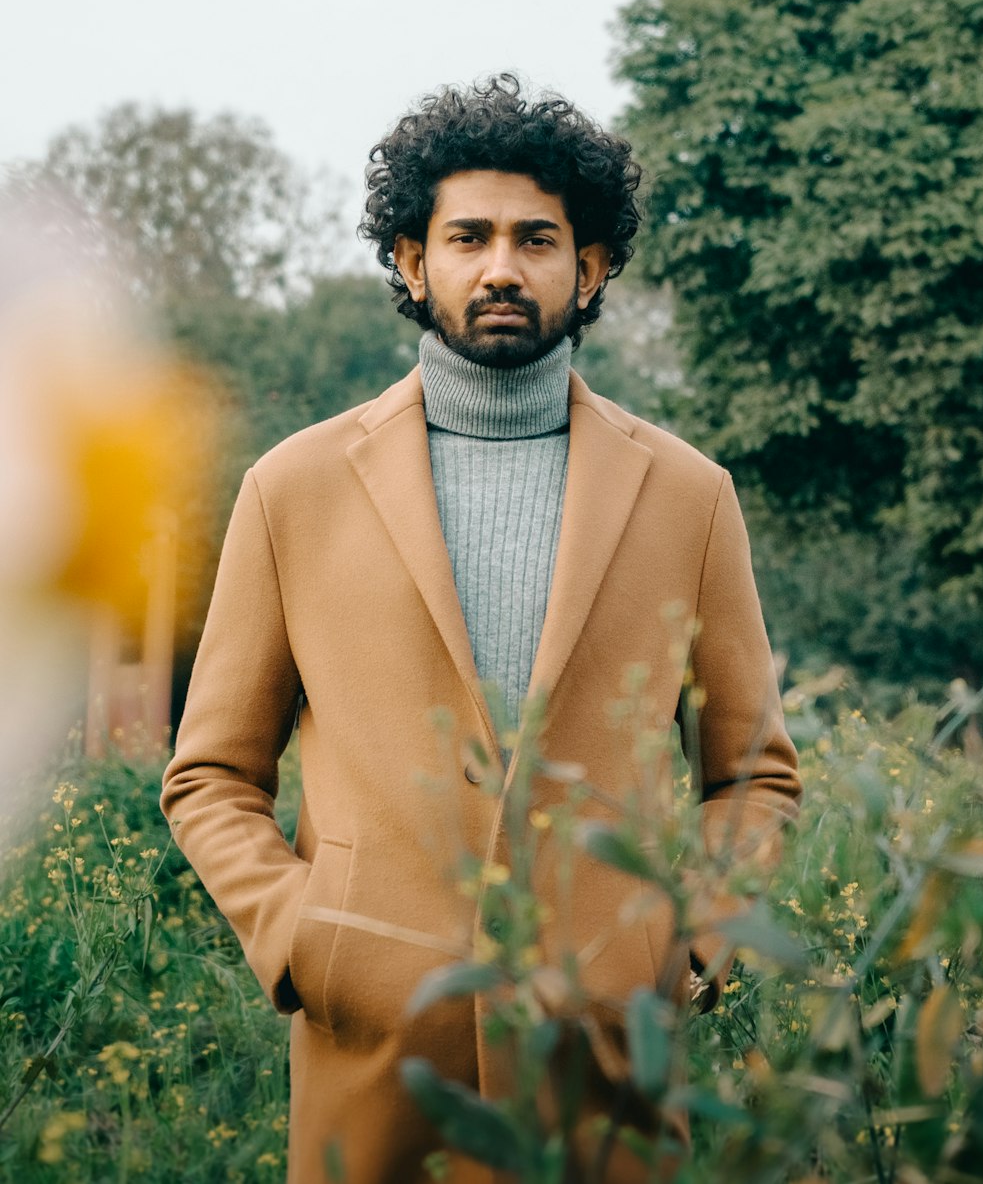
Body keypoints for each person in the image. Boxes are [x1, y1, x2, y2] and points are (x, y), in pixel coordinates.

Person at [161, 74, 801, 1184]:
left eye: (537, 239)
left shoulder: (691, 495)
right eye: (468, 236)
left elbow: (752, 774)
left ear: (589, 267)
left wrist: (685, 945)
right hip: (376, 1064)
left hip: (606, 1064)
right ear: (413, 261)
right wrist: (305, 939)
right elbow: (211, 774)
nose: (500, 266)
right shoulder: (291, 488)